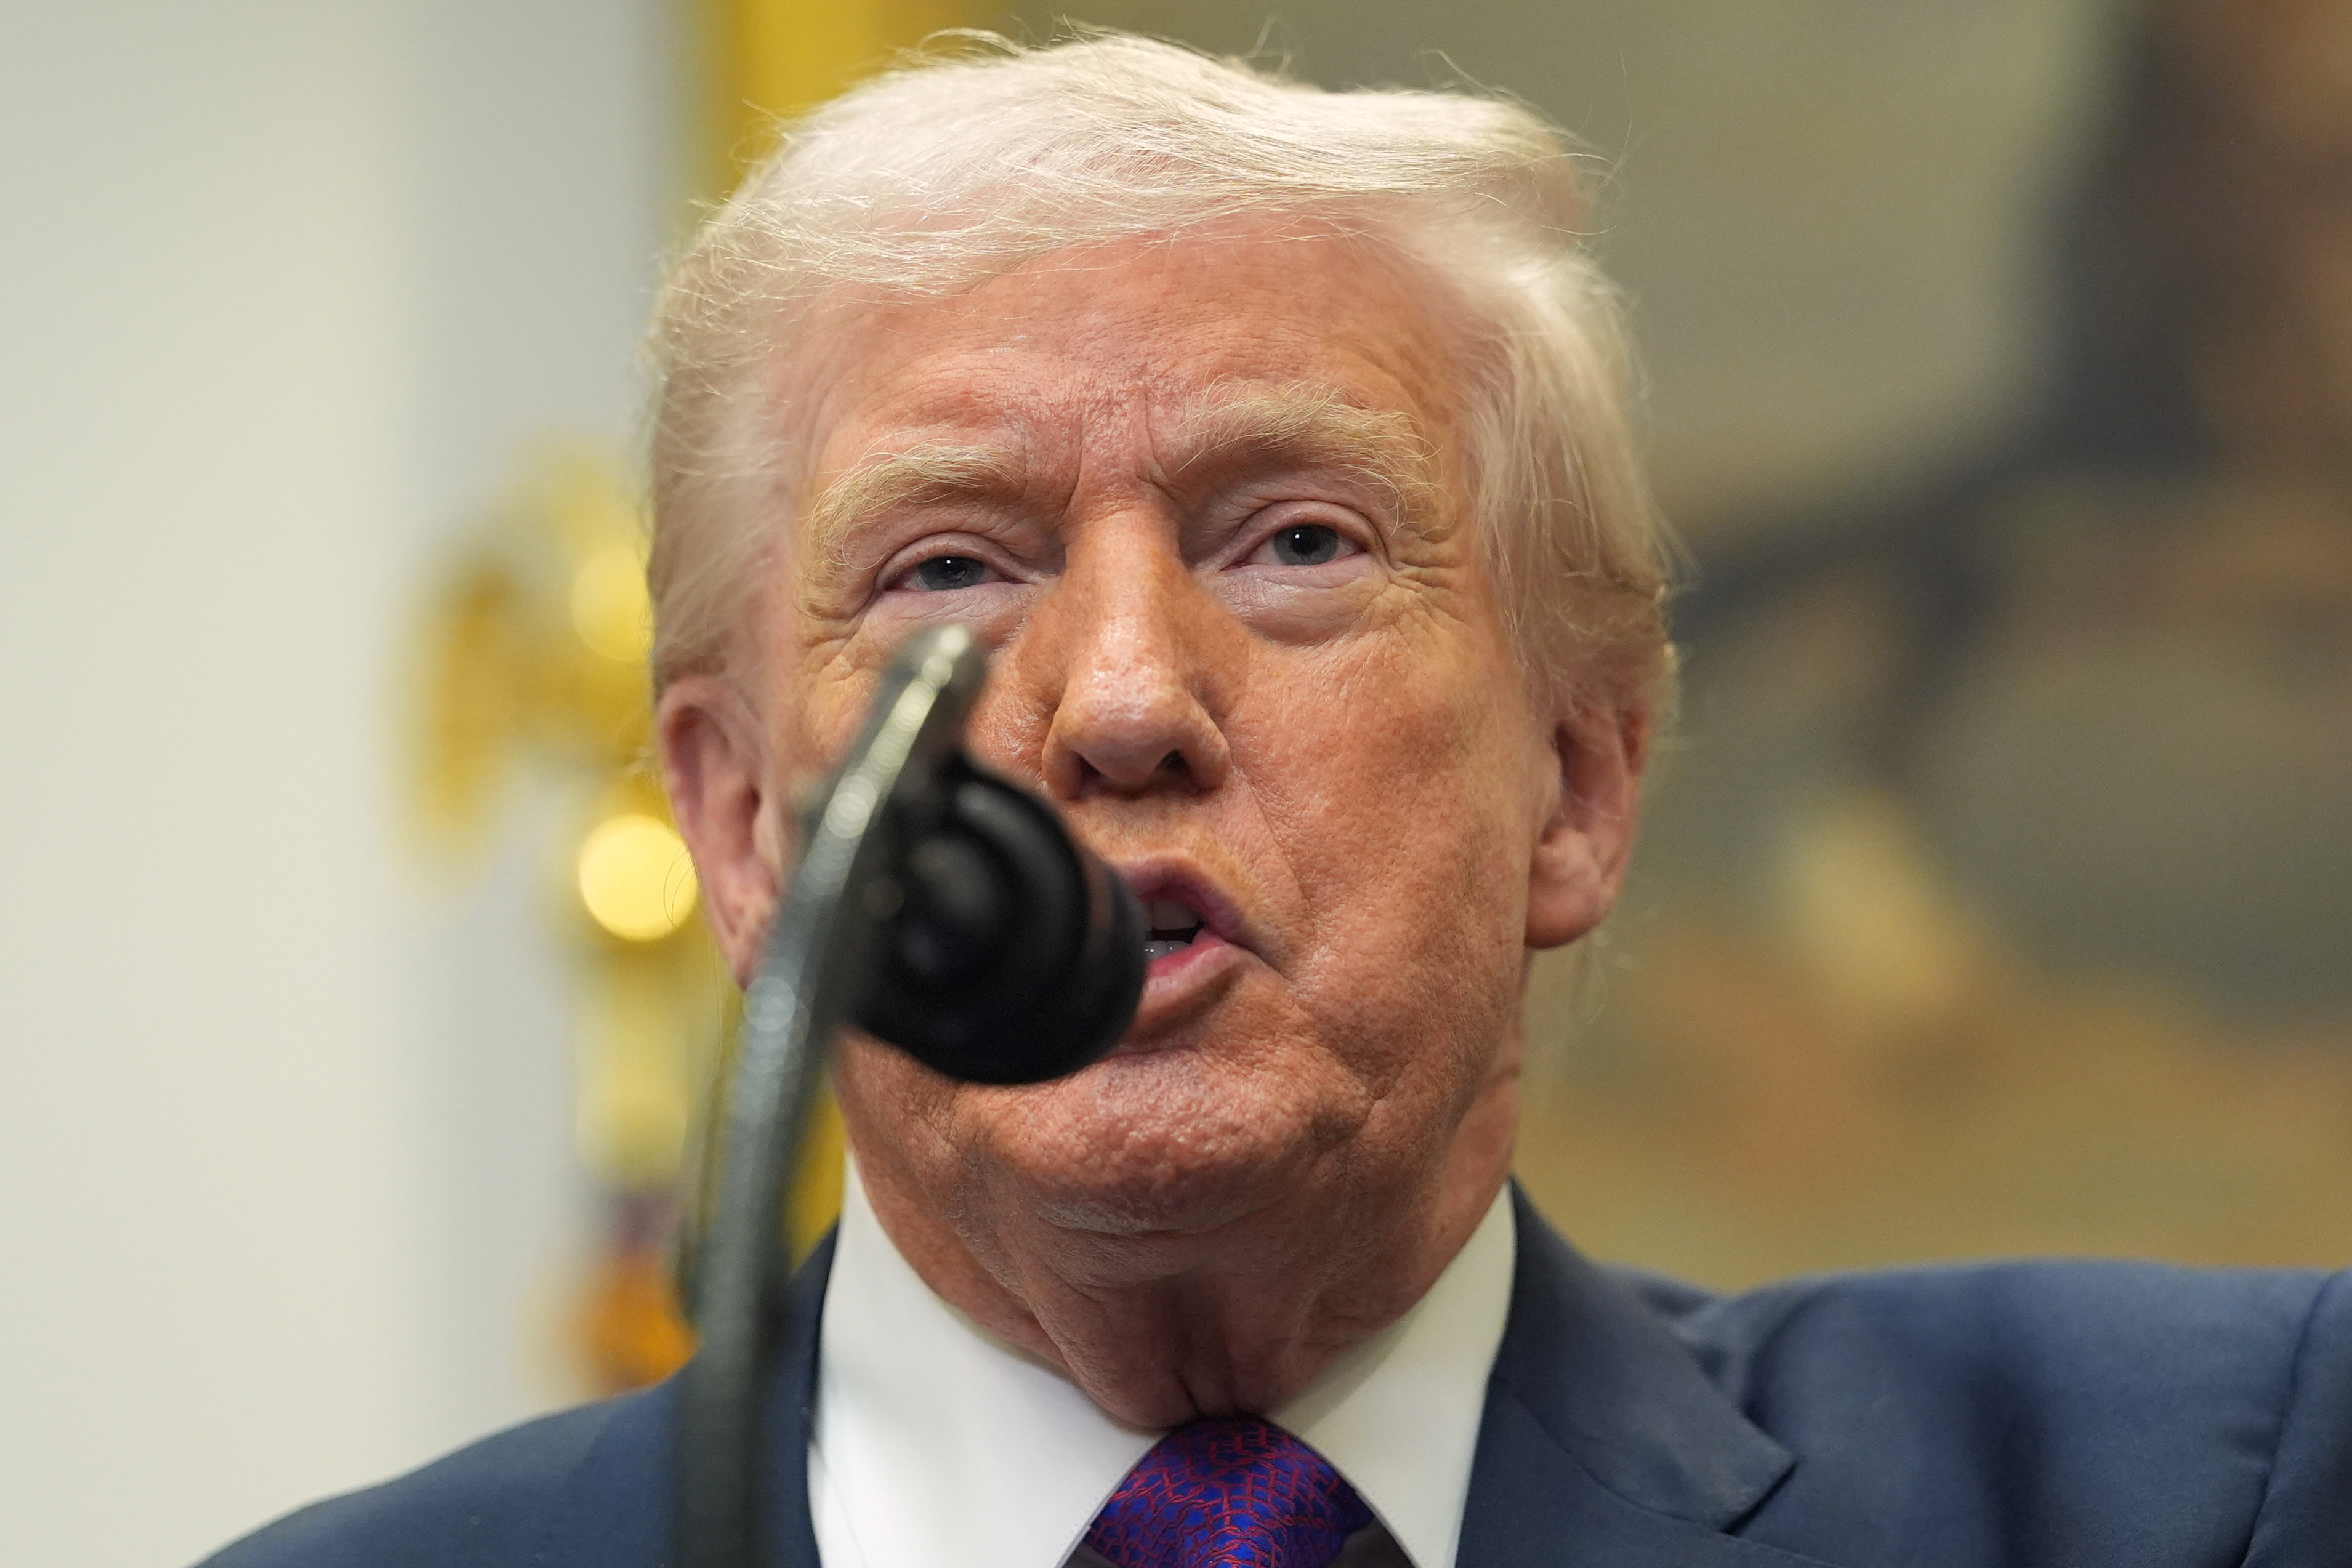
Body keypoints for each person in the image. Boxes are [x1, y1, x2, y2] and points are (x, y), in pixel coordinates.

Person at [200, 34, 2351, 1568]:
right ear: (752, 828)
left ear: (1578, 777)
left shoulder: (2202, 1484)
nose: (1127, 698)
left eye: (1297, 541)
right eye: (948, 567)